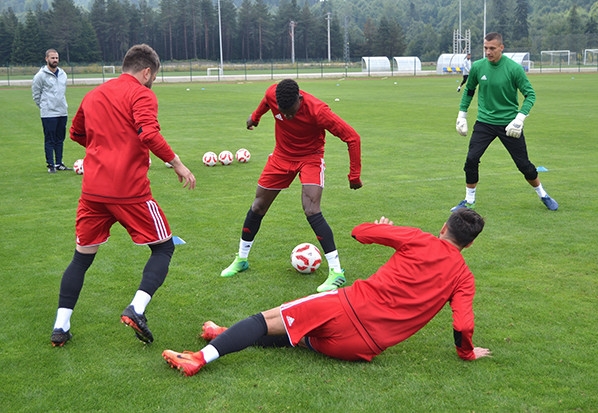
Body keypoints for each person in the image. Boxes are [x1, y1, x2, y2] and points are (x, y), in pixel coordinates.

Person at [162, 209, 491, 377]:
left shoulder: (420, 239)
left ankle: (198, 359)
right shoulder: (464, 277)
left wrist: (384, 228)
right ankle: (223, 335)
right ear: (470, 244)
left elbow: (359, 232)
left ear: (444, 228)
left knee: (266, 319)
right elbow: (462, 325)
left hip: (346, 309)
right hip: (360, 348)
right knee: (297, 335)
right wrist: (467, 353)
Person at [50, 44, 196, 347]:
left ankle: (60, 327)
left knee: (81, 259)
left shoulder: (94, 95)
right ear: (146, 72)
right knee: (164, 248)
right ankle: (137, 309)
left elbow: (77, 133)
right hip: (129, 191)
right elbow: (149, 133)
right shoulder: (142, 93)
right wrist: (178, 164)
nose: (153, 81)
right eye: (153, 76)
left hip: (92, 191)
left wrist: (106, 146)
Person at [219, 78, 363, 293]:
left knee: (311, 208)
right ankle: (241, 259)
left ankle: (336, 271)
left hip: (310, 157)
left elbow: (352, 137)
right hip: (281, 157)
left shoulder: (318, 111)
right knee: (258, 205)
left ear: (300, 99)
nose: (287, 116)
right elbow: (265, 102)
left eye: (292, 112)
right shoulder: (272, 94)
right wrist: (255, 118)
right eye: (284, 112)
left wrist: (354, 175)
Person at [453, 32, 558, 212]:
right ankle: (469, 201)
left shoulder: (514, 69)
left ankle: (543, 194)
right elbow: (469, 90)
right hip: (484, 122)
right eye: (485, 48)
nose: (488, 52)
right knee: (471, 159)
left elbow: (530, 95)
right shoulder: (478, 67)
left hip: (509, 124)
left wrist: (519, 118)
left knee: (524, 165)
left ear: (502, 48)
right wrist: (461, 115)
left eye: (492, 48)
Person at [32, 49, 70, 173]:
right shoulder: (40, 76)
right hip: (48, 114)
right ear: (46, 59)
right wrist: (45, 107)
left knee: (60, 139)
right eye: (52, 58)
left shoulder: (63, 74)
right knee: (50, 139)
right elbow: (36, 95)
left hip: (62, 112)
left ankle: (59, 163)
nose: (55, 60)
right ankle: (51, 165)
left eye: (57, 58)